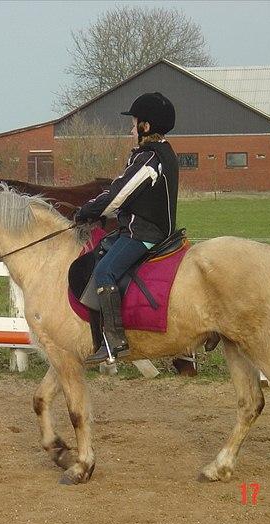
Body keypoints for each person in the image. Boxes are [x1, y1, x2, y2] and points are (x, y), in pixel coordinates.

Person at [74, 92, 179, 365]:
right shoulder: (163, 153)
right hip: (139, 229)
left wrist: (86, 211)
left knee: (105, 270)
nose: (131, 129)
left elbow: (118, 195)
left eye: (134, 123)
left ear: (146, 126)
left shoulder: (149, 158)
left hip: (144, 233)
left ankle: (114, 341)